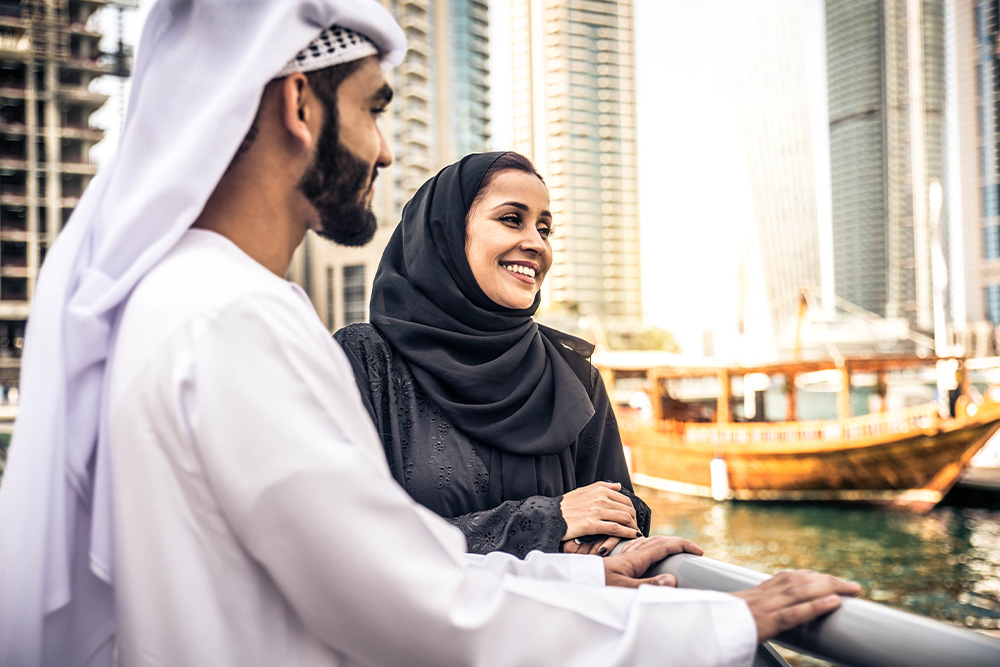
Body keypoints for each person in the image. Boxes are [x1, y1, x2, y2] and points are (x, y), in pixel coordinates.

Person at [0, 1, 860, 665]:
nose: (380, 150)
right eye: (373, 108)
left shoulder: (183, 301)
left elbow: (380, 569)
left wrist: (580, 569)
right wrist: (719, 619)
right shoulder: (234, 319)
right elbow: (412, 604)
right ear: (300, 102)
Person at [336, 151, 651, 558]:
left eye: (545, 228)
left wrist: (612, 524)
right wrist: (547, 521)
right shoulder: (365, 360)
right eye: (510, 219)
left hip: (560, 620)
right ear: (445, 232)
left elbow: (616, 513)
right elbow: (343, 538)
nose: (536, 244)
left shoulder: (573, 377)